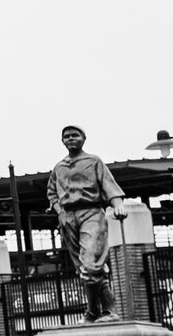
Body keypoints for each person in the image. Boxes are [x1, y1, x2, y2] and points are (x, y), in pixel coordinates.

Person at [48, 126, 129, 319]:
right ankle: (97, 312)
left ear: (84, 138)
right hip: (68, 218)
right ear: (62, 141)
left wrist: (117, 204)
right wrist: (59, 211)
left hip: (90, 213)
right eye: (66, 136)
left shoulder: (94, 161)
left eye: (75, 135)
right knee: (85, 269)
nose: (71, 139)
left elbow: (108, 184)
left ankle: (99, 311)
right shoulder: (59, 167)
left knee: (91, 265)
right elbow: (52, 192)